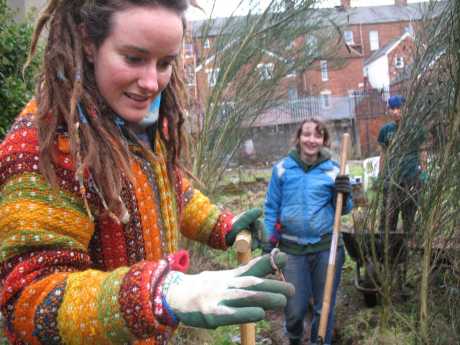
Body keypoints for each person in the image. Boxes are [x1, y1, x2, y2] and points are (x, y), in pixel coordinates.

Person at [0, 1, 294, 344]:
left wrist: (222, 226)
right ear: (88, 42)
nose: (153, 82)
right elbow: (31, 300)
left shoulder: (142, 119)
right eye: (134, 59)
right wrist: (156, 294)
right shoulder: (45, 145)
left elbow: (169, 190)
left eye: (165, 62)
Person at [263, 119, 353, 345]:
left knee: (324, 309)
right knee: (295, 309)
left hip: (326, 247)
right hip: (292, 250)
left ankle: (319, 341)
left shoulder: (334, 170)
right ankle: (294, 338)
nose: (311, 140)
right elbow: (271, 207)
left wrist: (344, 192)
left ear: (323, 141)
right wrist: (267, 238)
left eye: (317, 136)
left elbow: (344, 208)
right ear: (298, 138)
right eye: (307, 134)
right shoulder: (282, 169)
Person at [378, 95, 426, 239]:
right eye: (392, 108)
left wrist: (423, 174)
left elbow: (423, 152)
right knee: (388, 217)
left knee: (409, 215)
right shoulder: (386, 130)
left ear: (406, 109)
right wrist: (381, 176)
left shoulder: (416, 128)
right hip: (391, 180)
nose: (395, 111)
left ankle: (409, 249)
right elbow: (383, 154)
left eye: (399, 108)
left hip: (411, 178)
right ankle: (388, 248)